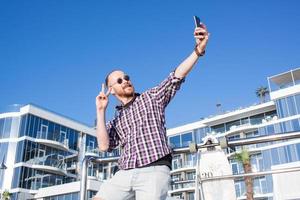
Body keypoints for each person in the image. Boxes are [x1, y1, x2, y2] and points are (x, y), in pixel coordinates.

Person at [93, 22, 209, 200]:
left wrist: (198, 50)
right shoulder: (115, 120)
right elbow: (103, 146)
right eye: (119, 80)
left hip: (153, 168)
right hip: (124, 172)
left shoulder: (151, 97)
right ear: (111, 90)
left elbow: (176, 76)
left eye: (126, 77)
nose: (125, 81)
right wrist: (101, 111)